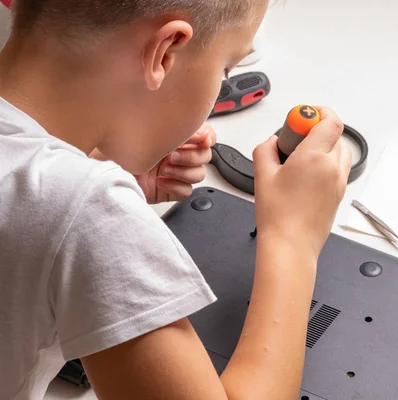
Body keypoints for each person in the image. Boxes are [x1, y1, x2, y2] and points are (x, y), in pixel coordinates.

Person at [0, 1, 352, 399]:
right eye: (226, 69)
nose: (224, 80)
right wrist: (293, 238)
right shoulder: (84, 212)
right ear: (165, 52)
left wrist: (92, 164)